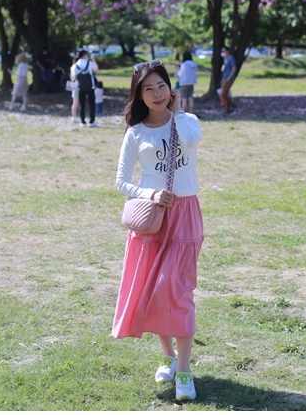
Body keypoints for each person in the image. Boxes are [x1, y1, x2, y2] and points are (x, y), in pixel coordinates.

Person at [112, 59, 203, 403]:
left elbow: (192, 139)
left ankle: (184, 371)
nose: (156, 94)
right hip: (151, 218)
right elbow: (121, 181)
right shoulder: (135, 133)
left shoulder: (188, 122)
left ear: (171, 88)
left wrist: (178, 111)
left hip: (185, 216)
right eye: (148, 88)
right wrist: (149, 193)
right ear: (138, 95)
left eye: (161, 85)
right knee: (153, 292)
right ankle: (166, 356)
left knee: (178, 292)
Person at [70, 49, 98, 127]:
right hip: (90, 86)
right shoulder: (89, 63)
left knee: (82, 105)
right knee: (92, 104)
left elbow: (74, 77)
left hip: (81, 87)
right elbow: (96, 68)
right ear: (85, 55)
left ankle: (83, 121)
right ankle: (92, 121)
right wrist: (93, 59)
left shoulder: (75, 65)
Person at [219, 47, 236, 114]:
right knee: (224, 93)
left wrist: (229, 77)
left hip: (229, 78)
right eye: (221, 51)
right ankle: (227, 108)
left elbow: (234, 68)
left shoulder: (230, 59)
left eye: (224, 51)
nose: (222, 52)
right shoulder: (225, 59)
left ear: (227, 51)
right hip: (224, 77)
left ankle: (231, 103)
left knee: (223, 93)